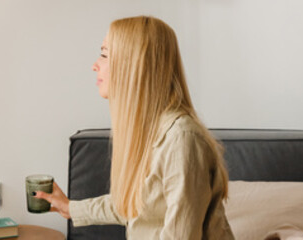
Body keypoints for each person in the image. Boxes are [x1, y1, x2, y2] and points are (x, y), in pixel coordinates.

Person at [33, 15, 234, 240]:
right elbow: (136, 205)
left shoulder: (182, 140)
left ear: (133, 65)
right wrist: (70, 208)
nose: (94, 65)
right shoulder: (150, 133)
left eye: (104, 54)